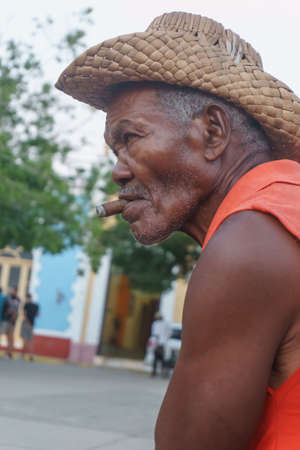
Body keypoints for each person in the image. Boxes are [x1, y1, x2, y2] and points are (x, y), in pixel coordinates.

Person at [56, 11, 300, 450]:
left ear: (212, 132)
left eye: (130, 138)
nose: (117, 173)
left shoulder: (250, 240)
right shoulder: (285, 207)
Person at [2, 287, 21, 358]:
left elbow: (16, 310)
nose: (13, 291)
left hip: (11, 321)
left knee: (10, 337)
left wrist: (14, 317)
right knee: (7, 336)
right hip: (6, 319)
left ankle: (9, 352)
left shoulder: (17, 299)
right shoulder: (7, 297)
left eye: (14, 290)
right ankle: (8, 352)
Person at [151, 312, 171, 377]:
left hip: (160, 343)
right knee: (158, 359)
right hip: (160, 343)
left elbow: (155, 334)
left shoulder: (160, 324)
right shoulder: (157, 324)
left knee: (160, 359)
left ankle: (159, 372)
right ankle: (156, 372)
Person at [21, 293, 39, 361]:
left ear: (27, 298)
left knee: (25, 340)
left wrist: (27, 322)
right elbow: (37, 315)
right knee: (31, 340)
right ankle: (31, 355)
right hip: (32, 324)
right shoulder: (36, 305)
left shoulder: (26, 305)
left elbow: (24, 314)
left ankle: (22, 355)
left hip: (26, 324)